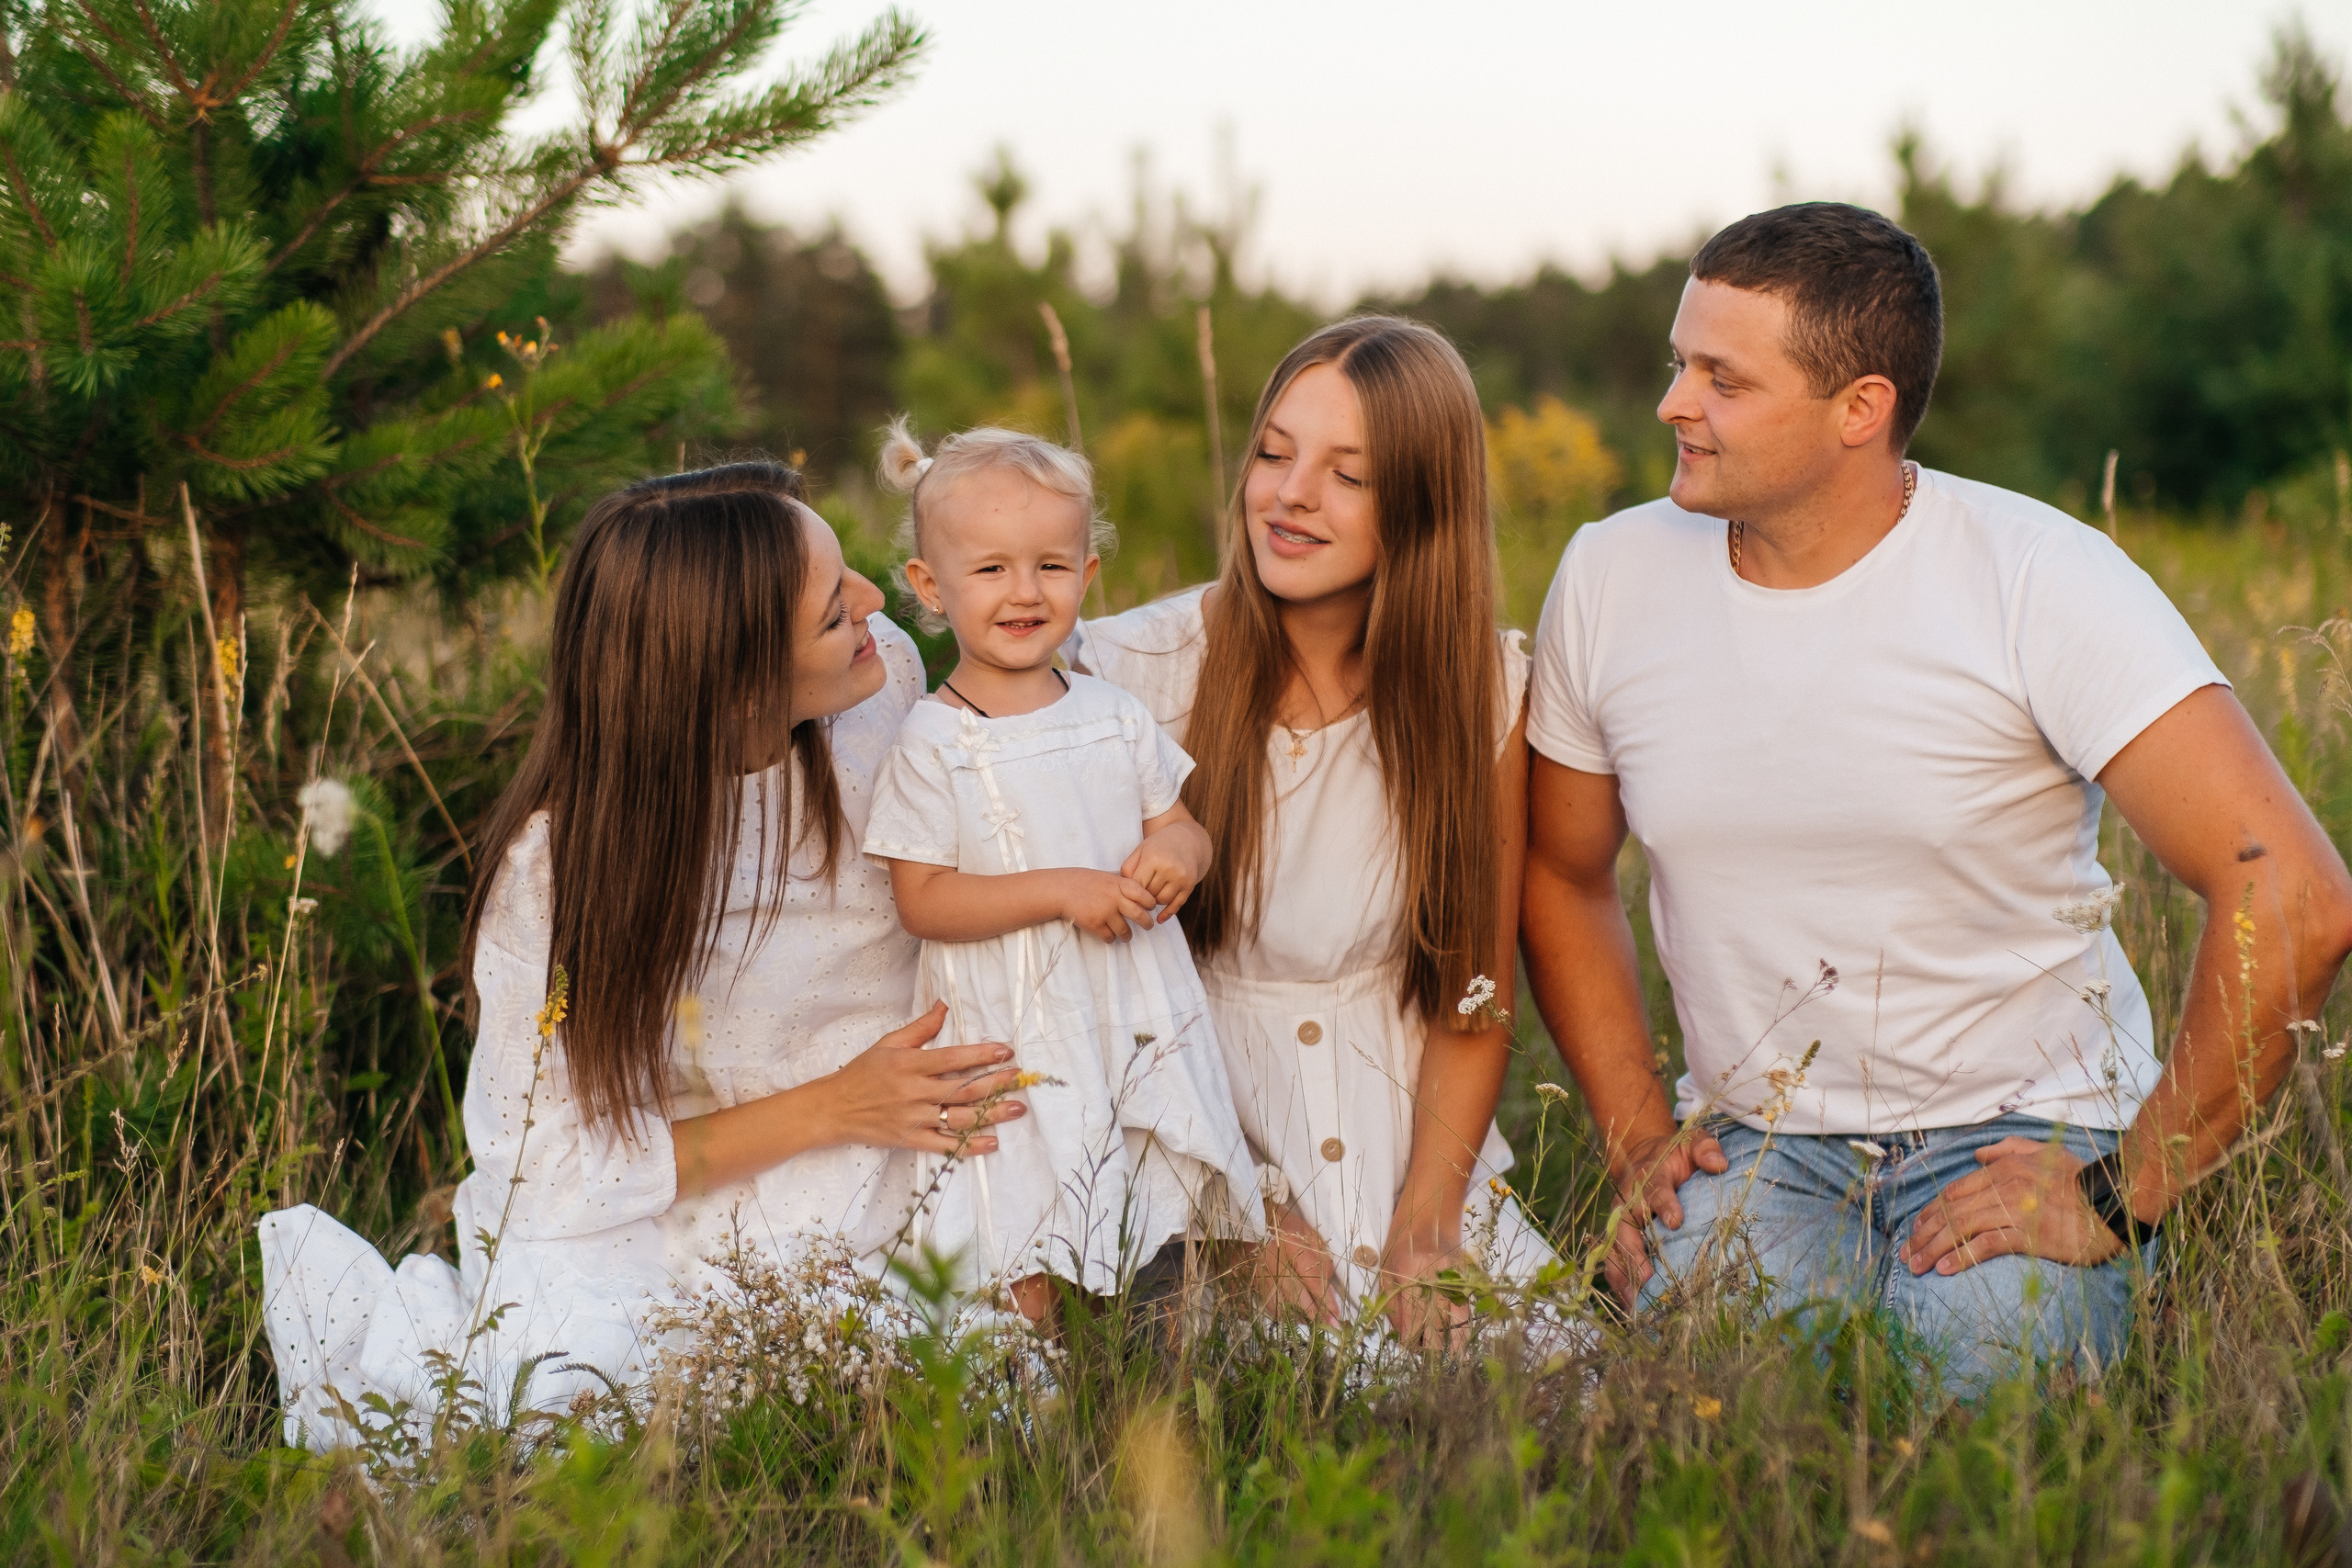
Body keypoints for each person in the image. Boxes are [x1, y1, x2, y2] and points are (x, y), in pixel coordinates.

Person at [1520, 201, 2352, 1395]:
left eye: (1722, 378)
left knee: (1971, 1431)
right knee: (1710, 1418)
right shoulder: (1609, 573)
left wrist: (2124, 1189)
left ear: (1860, 408)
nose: (1672, 404)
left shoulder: (2039, 577)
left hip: (2023, 1131)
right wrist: (1636, 1131)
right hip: (1755, 1137)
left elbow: (2295, 893)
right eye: (1677, 362)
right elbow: (1561, 867)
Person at [258, 463, 1028, 1449]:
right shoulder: (562, 870)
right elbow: (548, 1169)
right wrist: (836, 1104)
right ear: (739, 677)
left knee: (977, 1379)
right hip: (688, 1206)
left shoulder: (886, 693)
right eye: (836, 609)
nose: (879, 607)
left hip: (908, 1161)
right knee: (582, 1403)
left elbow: (1069, 668)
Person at [1067, 316, 1556, 1338]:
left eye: (1348, 475)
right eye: (1275, 455)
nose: (1288, 496)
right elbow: (1092, 1005)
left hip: (1413, 1149)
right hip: (1191, 1162)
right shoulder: (1122, 676)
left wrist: (1426, 1225)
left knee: (1545, 1416)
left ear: (1420, 505)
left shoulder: (1483, 687)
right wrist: (1247, 1212)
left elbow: (1475, 995)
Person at [862, 423, 1263, 1320]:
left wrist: (1175, 856)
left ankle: (1155, 1378)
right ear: (931, 587)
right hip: (1017, 1021)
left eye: (1049, 565)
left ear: (1084, 576)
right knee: (1025, 1209)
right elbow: (921, 899)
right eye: (991, 568)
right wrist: (1064, 889)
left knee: (1146, 1195)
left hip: (1127, 1010)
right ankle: (1040, 1390)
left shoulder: (1114, 714)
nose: (1023, 591)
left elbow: (1184, 827)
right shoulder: (933, 740)